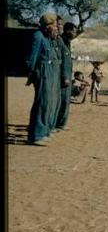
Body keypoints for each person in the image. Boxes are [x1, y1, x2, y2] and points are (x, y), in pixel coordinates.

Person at [25, 13, 60, 145]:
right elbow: (32, 58)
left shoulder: (48, 38)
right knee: (41, 103)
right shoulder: (38, 37)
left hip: (50, 73)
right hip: (42, 73)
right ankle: (36, 135)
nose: (56, 27)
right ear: (48, 25)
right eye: (54, 25)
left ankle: (44, 131)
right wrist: (31, 75)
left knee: (48, 103)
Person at [54, 22, 78, 131]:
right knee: (62, 100)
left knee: (66, 100)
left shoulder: (67, 41)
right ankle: (58, 123)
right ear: (68, 31)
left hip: (68, 74)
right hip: (63, 76)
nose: (75, 33)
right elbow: (61, 60)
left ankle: (62, 122)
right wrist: (65, 76)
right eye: (73, 31)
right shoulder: (61, 41)